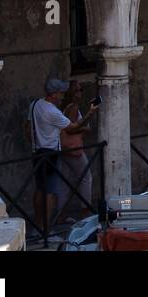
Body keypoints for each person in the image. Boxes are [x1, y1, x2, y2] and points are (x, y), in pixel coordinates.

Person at [29, 77, 98, 237]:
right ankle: (45, 231)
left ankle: (38, 225)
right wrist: (90, 114)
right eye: (60, 92)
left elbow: (27, 128)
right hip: (50, 153)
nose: (62, 94)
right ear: (54, 94)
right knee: (51, 192)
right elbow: (74, 127)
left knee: (40, 189)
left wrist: (36, 141)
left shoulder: (35, 105)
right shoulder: (52, 111)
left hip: (37, 152)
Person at [53, 80, 94, 222]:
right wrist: (86, 125)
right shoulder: (73, 107)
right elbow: (71, 129)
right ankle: (85, 210)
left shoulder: (64, 106)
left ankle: (61, 214)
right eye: (76, 90)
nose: (79, 93)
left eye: (80, 90)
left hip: (63, 148)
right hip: (73, 148)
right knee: (86, 177)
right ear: (70, 93)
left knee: (65, 181)